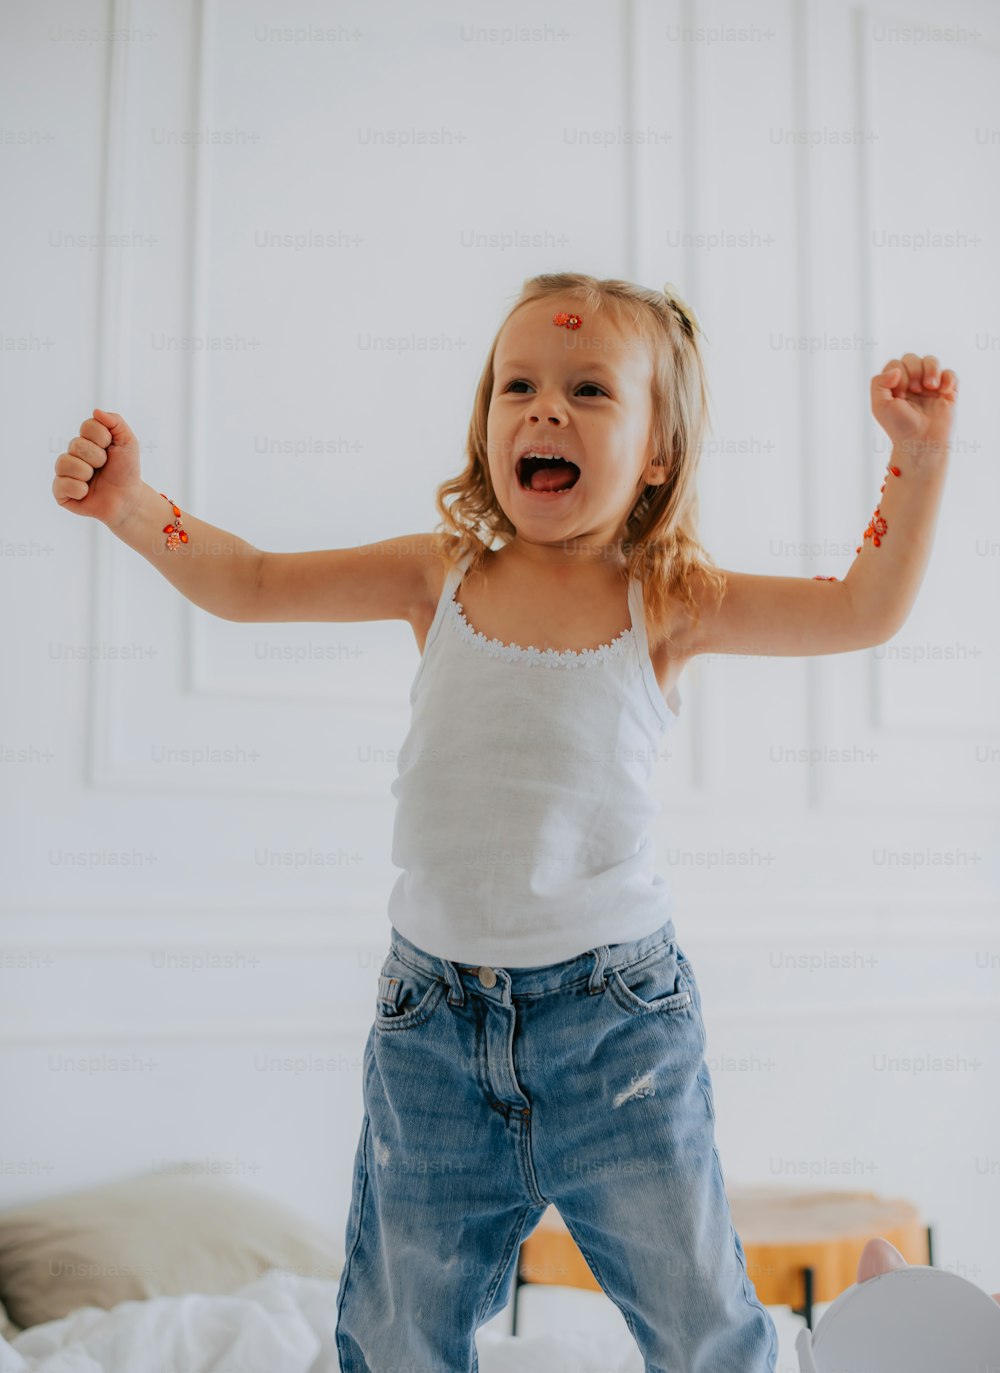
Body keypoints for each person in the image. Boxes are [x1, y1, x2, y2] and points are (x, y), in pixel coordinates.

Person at [51, 273, 958, 1372]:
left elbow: (861, 608)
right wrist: (134, 506)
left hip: (617, 1027)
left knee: (697, 1316)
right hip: (430, 1030)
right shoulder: (440, 573)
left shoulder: (665, 598)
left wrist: (914, 456)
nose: (543, 409)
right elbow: (246, 580)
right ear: (484, 423)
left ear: (658, 452)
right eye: (516, 385)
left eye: (588, 390)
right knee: (395, 1328)